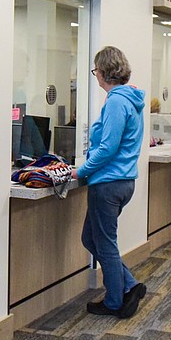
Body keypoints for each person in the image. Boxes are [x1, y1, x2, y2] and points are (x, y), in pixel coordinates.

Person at [72, 46, 147, 318]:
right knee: (91, 238)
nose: (96, 76)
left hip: (108, 183)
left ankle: (115, 301)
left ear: (103, 72)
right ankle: (129, 284)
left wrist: (81, 170)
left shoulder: (116, 101)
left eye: (95, 71)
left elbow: (107, 148)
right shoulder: (131, 99)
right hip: (123, 180)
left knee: (104, 243)